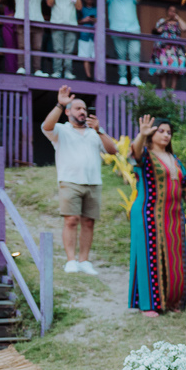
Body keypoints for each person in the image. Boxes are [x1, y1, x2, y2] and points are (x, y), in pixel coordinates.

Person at [41, 85, 116, 274]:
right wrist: (60, 104)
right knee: (71, 220)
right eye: (78, 108)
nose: (83, 111)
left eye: (84, 109)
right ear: (68, 112)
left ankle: (84, 261)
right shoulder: (61, 130)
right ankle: (71, 261)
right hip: (70, 181)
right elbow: (46, 127)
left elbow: (112, 150)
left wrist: (99, 131)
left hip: (94, 183)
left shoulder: (94, 132)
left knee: (89, 222)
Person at [127, 114, 186, 315]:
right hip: (148, 213)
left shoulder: (175, 160)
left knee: (174, 257)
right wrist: (142, 135)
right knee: (149, 256)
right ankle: (149, 305)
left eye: (169, 132)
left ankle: (172, 300)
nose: (166, 135)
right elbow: (134, 153)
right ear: (152, 134)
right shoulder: (145, 155)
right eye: (161, 131)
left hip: (174, 216)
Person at [106, 0, 144, 86]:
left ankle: (135, 77)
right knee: (121, 55)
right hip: (117, 30)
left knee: (135, 53)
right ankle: (122, 77)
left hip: (133, 30)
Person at [12, 0, 47, 76]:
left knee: (37, 47)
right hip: (22, 22)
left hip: (37, 22)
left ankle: (37, 70)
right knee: (22, 46)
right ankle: (21, 67)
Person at [45, 0, 78, 80]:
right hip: (57, 24)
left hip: (71, 25)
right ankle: (57, 71)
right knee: (57, 49)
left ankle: (68, 72)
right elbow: (49, 3)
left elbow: (79, 7)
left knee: (69, 51)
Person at [149, 5, 186, 90]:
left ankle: (173, 87)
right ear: (167, 11)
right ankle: (163, 87)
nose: (172, 12)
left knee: (176, 64)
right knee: (163, 63)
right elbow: (155, 30)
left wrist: (178, 18)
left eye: (174, 11)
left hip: (176, 48)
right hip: (163, 47)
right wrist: (166, 20)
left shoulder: (178, 23)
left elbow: (185, 28)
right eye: (170, 10)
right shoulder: (162, 21)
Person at [76, 0, 96, 79]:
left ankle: (97, 76)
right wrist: (84, 20)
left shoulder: (97, 9)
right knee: (85, 57)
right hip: (84, 35)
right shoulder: (81, 9)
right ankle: (89, 76)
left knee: (95, 57)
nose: (89, 0)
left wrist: (95, 20)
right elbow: (76, 21)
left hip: (95, 37)